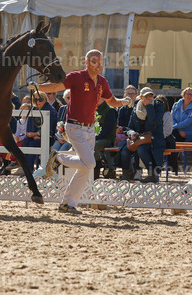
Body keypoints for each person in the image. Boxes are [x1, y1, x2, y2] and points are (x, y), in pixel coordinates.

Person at [37, 49, 129, 214]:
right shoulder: (76, 76)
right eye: (94, 61)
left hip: (89, 129)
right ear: (86, 62)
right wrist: (38, 87)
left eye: (100, 62)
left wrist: (123, 102)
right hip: (74, 127)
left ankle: (67, 204)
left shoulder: (102, 81)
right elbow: (56, 86)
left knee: (85, 167)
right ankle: (58, 157)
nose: (98, 65)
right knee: (90, 163)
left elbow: (112, 101)